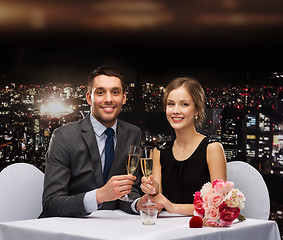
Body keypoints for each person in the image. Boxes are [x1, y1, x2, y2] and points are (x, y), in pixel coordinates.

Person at [40, 66, 148, 218]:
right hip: (69, 227)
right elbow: (51, 204)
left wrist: (137, 204)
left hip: (112, 226)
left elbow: (129, 191)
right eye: (100, 92)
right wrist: (99, 196)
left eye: (115, 92)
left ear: (124, 98)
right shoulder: (63, 137)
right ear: (89, 98)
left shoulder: (133, 133)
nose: (109, 99)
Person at [141, 77, 227, 216]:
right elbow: (157, 201)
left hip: (202, 231)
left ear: (197, 110)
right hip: (166, 229)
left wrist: (173, 207)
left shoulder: (212, 148)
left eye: (184, 104)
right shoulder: (159, 150)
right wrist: (151, 191)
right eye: (170, 104)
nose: (175, 111)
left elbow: (219, 205)